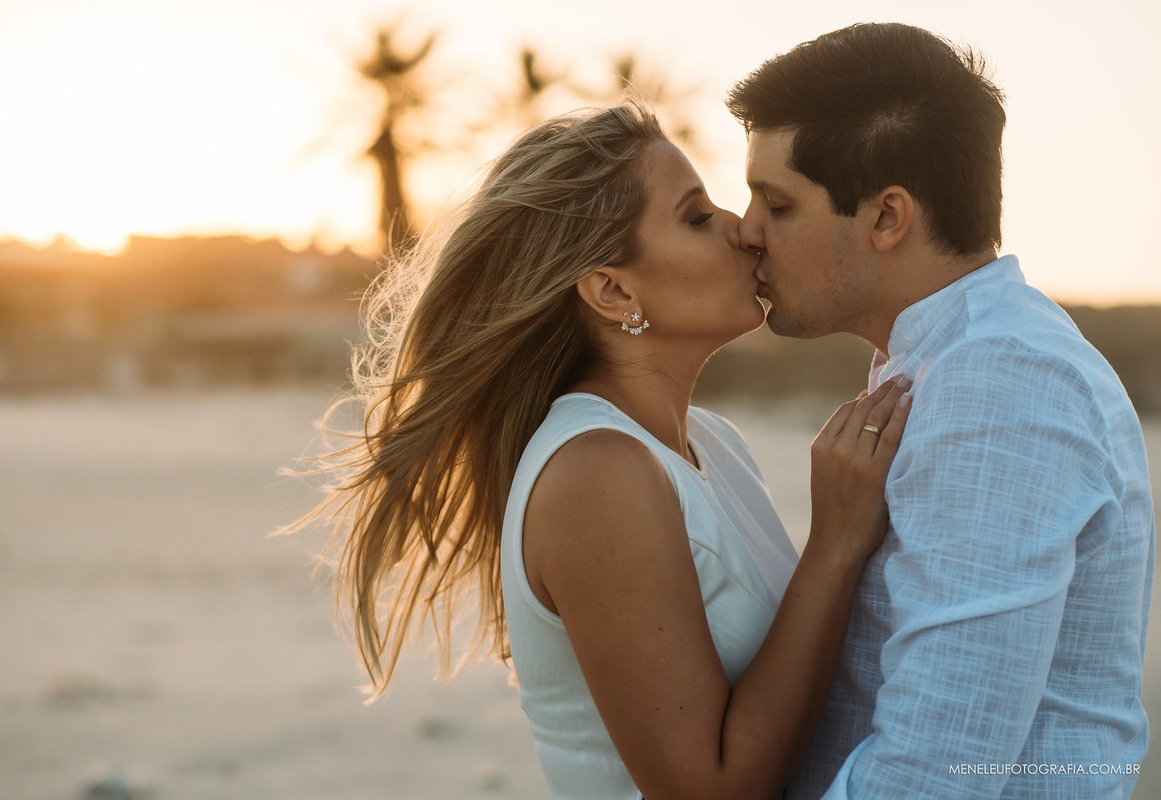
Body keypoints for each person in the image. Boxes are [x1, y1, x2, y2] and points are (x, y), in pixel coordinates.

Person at [287, 102, 912, 799]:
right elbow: (708, 791)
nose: (743, 229)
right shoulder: (596, 474)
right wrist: (833, 546)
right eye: (696, 217)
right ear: (613, 290)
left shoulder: (712, 444)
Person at [726, 22, 1155, 798]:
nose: (746, 231)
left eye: (777, 203)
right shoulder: (949, 360)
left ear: (888, 218)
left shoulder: (1002, 382)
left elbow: (935, 772)